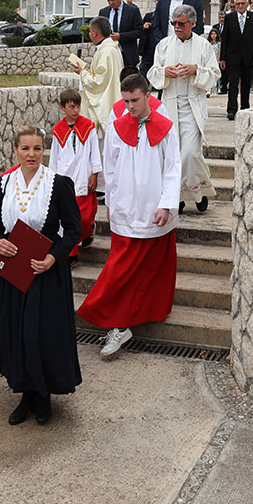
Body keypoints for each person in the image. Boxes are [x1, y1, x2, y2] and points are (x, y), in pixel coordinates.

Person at [78, 74, 181, 357]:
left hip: (154, 209)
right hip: (125, 208)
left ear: (148, 96)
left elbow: (173, 168)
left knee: (153, 268)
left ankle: (138, 317)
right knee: (121, 268)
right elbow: (110, 169)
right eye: (125, 101)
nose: (130, 106)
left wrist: (166, 204)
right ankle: (114, 319)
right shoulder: (117, 127)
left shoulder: (166, 128)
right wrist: (110, 203)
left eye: (135, 100)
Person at [0, 126, 83, 426]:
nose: (31, 154)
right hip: (11, 273)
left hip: (45, 273)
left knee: (41, 334)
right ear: (15, 150)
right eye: (25, 148)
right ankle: (25, 393)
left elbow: (74, 229)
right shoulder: (2, 184)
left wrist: (53, 258)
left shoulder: (59, 184)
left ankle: (44, 395)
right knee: (15, 333)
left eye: (37, 148)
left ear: (44, 150)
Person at [148, 4, 219, 213]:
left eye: (181, 23)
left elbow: (214, 75)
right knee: (173, 154)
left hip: (193, 106)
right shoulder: (163, 45)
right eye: (174, 23)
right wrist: (164, 72)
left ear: (193, 23)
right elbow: (152, 72)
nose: (177, 27)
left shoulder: (203, 46)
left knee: (190, 153)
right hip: (170, 105)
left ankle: (199, 191)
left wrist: (196, 70)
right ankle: (177, 196)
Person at [50, 88, 101, 258]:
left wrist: (94, 174)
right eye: (72, 107)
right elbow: (54, 158)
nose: (76, 110)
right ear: (62, 107)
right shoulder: (57, 130)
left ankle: (88, 231)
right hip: (65, 179)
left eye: (78, 106)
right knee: (66, 221)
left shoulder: (88, 126)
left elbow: (94, 151)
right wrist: (53, 179)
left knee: (84, 218)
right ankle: (71, 255)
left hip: (82, 178)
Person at [75, 16, 122, 133]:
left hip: (106, 105)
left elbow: (98, 83)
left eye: (90, 32)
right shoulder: (112, 48)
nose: (89, 34)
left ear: (95, 33)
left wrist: (82, 73)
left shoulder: (106, 52)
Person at [219, 0, 253, 120]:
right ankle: (231, 109)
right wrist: (222, 58)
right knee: (233, 84)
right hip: (232, 57)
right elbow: (225, 39)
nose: (240, 6)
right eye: (238, 4)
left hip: (248, 57)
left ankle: (245, 107)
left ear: (247, 4)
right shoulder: (229, 18)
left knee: (246, 84)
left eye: (243, 3)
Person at [98, 0, 143, 69]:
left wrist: (121, 36)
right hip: (109, 55)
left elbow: (139, 32)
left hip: (127, 56)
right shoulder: (103, 12)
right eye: (108, 0)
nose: (111, 3)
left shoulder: (132, 11)